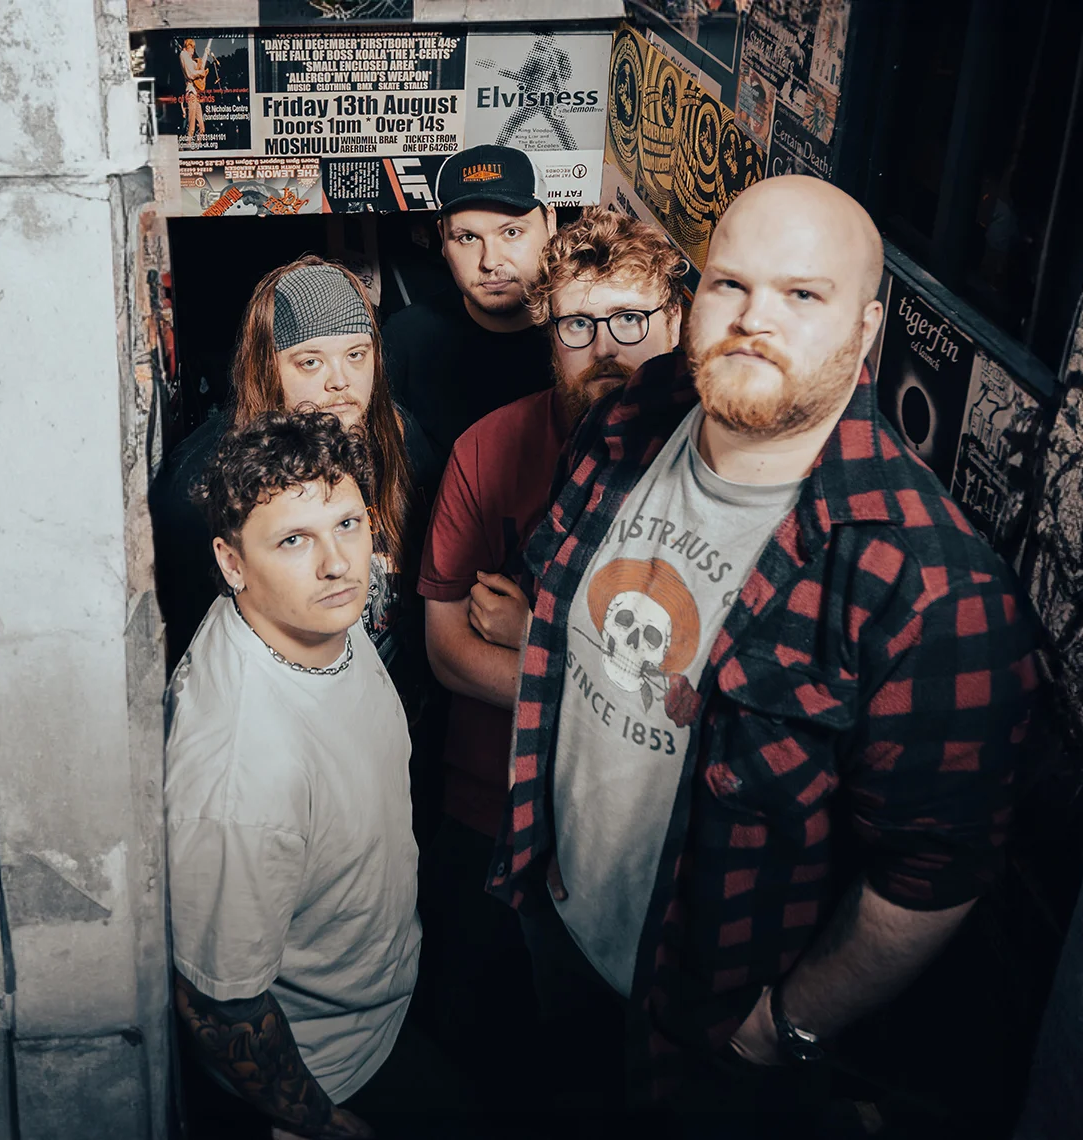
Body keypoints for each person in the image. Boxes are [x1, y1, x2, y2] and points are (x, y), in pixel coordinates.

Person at [489, 176, 1040, 1123]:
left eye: (802, 295)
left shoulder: (927, 586)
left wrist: (783, 1026)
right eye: (729, 285)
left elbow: (933, 876)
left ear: (865, 331)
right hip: (556, 915)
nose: (753, 320)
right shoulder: (634, 416)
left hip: (706, 1027)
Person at [414, 208, 686, 1077]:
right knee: (471, 1041)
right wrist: (603, 684)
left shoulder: (714, 477)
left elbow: (697, 699)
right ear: (549, 329)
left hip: (629, 831)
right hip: (484, 798)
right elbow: (449, 652)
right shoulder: (487, 449)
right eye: (578, 323)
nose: (604, 346)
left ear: (675, 324)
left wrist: (538, 640)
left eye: (630, 320)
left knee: (600, 1067)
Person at [166, 409, 455, 1138]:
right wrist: (322, 1121)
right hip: (332, 1069)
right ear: (233, 564)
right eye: (294, 540)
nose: (337, 563)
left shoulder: (320, 612)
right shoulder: (244, 776)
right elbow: (220, 1007)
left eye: (349, 525)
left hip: (386, 995)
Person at [149, 257, 435, 724]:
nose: (340, 380)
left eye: (357, 355)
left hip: (393, 721)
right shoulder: (203, 483)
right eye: (310, 361)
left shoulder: (399, 437)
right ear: (268, 368)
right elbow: (194, 655)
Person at [381, 144, 558, 480]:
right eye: (466, 238)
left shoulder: (584, 335)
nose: (490, 260)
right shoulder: (404, 340)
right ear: (442, 241)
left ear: (550, 223)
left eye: (511, 232)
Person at [179, 37, 207, 141]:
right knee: (191, 123)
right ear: (187, 47)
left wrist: (205, 54)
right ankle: (187, 144)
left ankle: (196, 146)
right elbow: (190, 74)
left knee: (200, 125)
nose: (193, 52)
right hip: (191, 92)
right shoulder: (183, 55)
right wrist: (201, 73)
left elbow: (200, 67)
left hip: (195, 93)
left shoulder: (189, 59)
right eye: (192, 49)